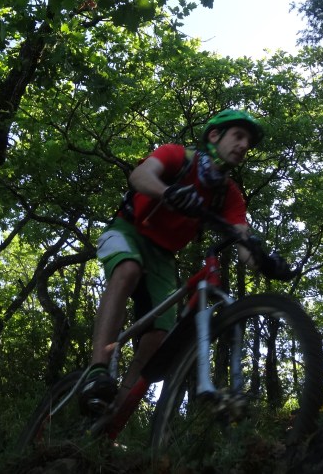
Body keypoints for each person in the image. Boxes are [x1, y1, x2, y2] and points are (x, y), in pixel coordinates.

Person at [81, 109, 295, 414]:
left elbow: (242, 239)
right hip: (127, 230)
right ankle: (97, 371)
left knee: (159, 337)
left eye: (248, 141)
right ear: (214, 136)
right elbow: (139, 176)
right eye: (238, 135)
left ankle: (116, 411)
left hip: (163, 256)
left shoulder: (229, 195)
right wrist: (169, 192)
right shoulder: (178, 157)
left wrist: (265, 262)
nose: (244, 145)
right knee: (127, 270)